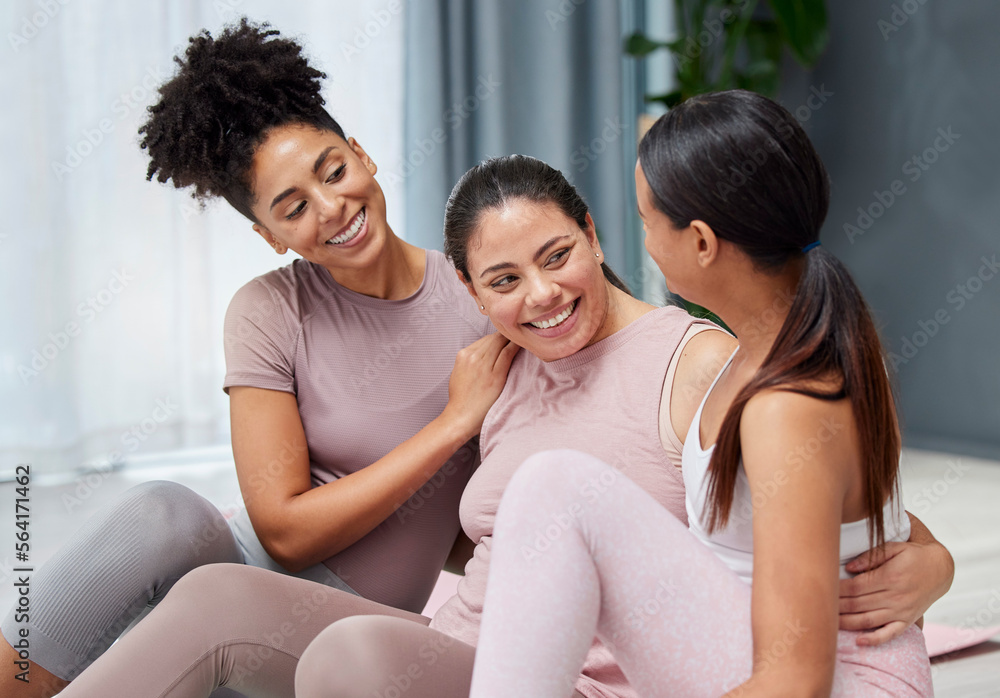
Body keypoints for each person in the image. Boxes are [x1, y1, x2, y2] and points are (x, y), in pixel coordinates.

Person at [59, 154, 950, 698]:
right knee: (213, 595)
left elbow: (826, 503)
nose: (543, 296)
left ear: (595, 234)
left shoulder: (695, 361)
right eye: (504, 280)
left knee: (355, 658)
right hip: (456, 645)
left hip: (573, 679)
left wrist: (928, 561)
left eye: (557, 256)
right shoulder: (500, 366)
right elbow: (479, 533)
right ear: (471, 292)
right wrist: (459, 419)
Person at [0, 19, 518, 698]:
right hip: (242, 567)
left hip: (340, 622)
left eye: (334, 171)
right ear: (270, 236)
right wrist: (452, 425)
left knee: (215, 597)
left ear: (361, 154)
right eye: (293, 207)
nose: (333, 209)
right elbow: (283, 531)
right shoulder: (268, 309)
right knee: (164, 511)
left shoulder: (480, 295)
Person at [466, 91, 939, 697]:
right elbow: (847, 521)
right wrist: (937, 562)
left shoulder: (784, 404)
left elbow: (797, 682)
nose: (644, 242)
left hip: (839, 684)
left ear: (701, 242)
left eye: (646, 221)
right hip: (761, 652)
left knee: (551, 485)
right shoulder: (796, 338)